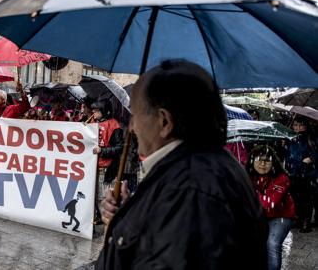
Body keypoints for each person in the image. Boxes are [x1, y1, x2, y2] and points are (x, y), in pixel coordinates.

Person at [96, 60, 267, 270]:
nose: (132, 127)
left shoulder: (189, 190)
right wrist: (125, 219)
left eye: (135, 114)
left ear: (164, 122)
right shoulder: (198, 171)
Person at [247, 145, 295, 270]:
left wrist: (250, 194)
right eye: (259, 160)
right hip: (259, 216)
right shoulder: (247, 176)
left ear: (273, 163)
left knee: (272, 244)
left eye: (267, 161)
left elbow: (269, 204)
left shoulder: (281, 178)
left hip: (281, 216)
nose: (262, 164)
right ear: (252, 161)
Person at [285, 117, 317, 233]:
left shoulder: (311, 137)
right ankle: (298, 219)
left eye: (300, 125)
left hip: (306, 172)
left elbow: (316, 153)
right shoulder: (290, 137)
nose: (298, 127)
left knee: (306, 198)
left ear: (306, 126)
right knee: (295, 197)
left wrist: (311, 158)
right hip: (292, 171)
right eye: (295, 125)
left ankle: (306, 222)